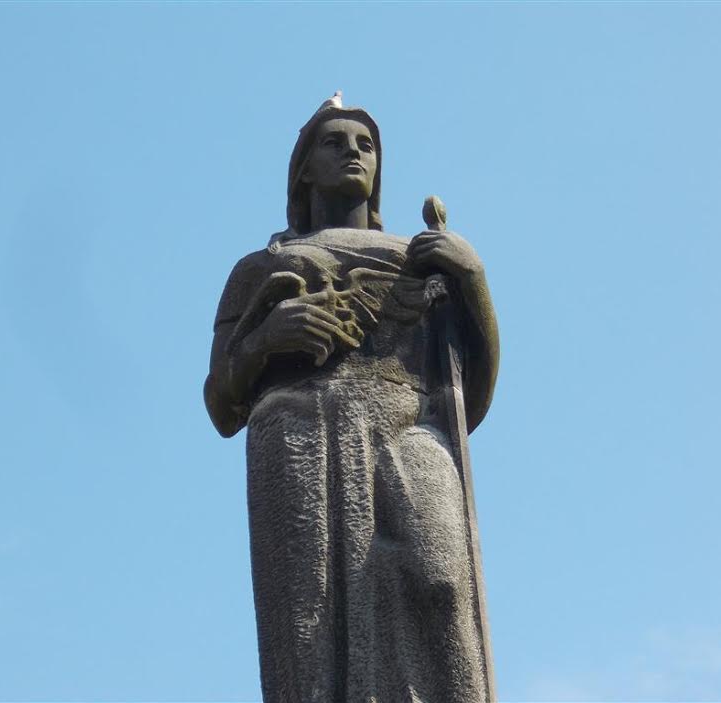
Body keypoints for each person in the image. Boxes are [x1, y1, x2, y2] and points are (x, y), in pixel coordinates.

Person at [204, 93, 500, 703]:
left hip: (408, 426)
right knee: (310, 611)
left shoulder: (424, 260)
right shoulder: (260, 268)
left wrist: (473, 279)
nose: (353, 153)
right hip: (300, 430)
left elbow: (469, 400)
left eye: (366, 145)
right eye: (334, 143)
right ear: (304, 171)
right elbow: (220, 403)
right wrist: (265, 341)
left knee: (442, 581)